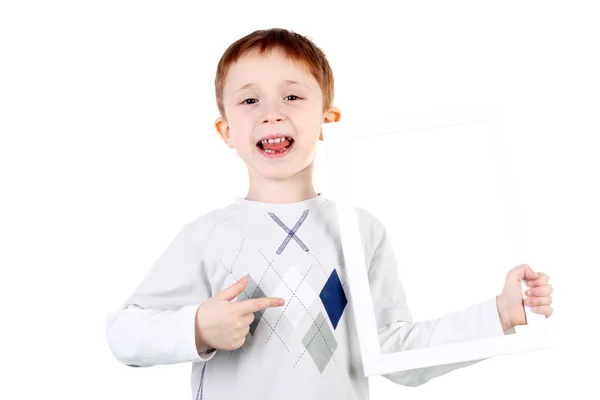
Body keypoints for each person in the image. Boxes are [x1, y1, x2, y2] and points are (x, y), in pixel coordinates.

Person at [104, 28, 553, 400]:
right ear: (226, 131)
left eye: (293, 97)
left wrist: (499, 314)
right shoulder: (206, 235)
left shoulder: (360, 231)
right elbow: (124, 334)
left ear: (328, 121)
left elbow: (396, 352)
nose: (271, 114)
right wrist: (198, 327)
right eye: (249, 101)